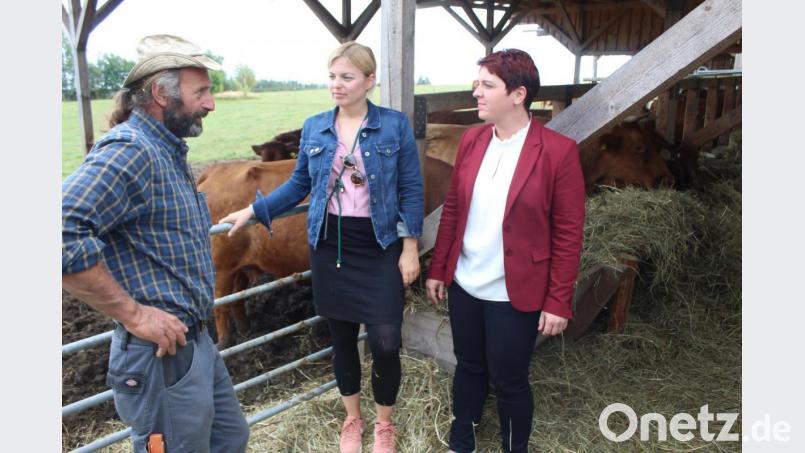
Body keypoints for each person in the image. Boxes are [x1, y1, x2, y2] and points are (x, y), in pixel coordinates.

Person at [219, 41, 423, 453]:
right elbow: (298, 185)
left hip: (379, 242)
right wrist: (253, 212)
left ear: (369, 81)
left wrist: (410, 247)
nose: (337, 85)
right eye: (332, 76)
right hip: (331, 244)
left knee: (385, 341)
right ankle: (353, 420)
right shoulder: (315, 127)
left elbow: (410, 188)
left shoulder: (394, 125)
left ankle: (384, 424)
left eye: (347, 77)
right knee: (342, 338)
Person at [62, 34, 250, 452]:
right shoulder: (132, 151)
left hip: (194, 341)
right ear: (160, 95)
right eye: (200, 91)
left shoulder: (166, 151)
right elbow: (59, 231)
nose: (211, 103)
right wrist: (134, 315)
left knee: (230, 438)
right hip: (160, 353)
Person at [425, 49, 585, 453]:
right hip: (466, 282)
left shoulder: (558, 152)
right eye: (477, 83)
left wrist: (558, 301)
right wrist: (440, 269)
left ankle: (515, 446)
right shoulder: (473, 140)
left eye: (487, 85)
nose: (476, 92)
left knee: (510, 378)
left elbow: (569, 234)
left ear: (518, 95)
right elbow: (455, 211)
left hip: (514, 290)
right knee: (469, 365)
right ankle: (463, 438)